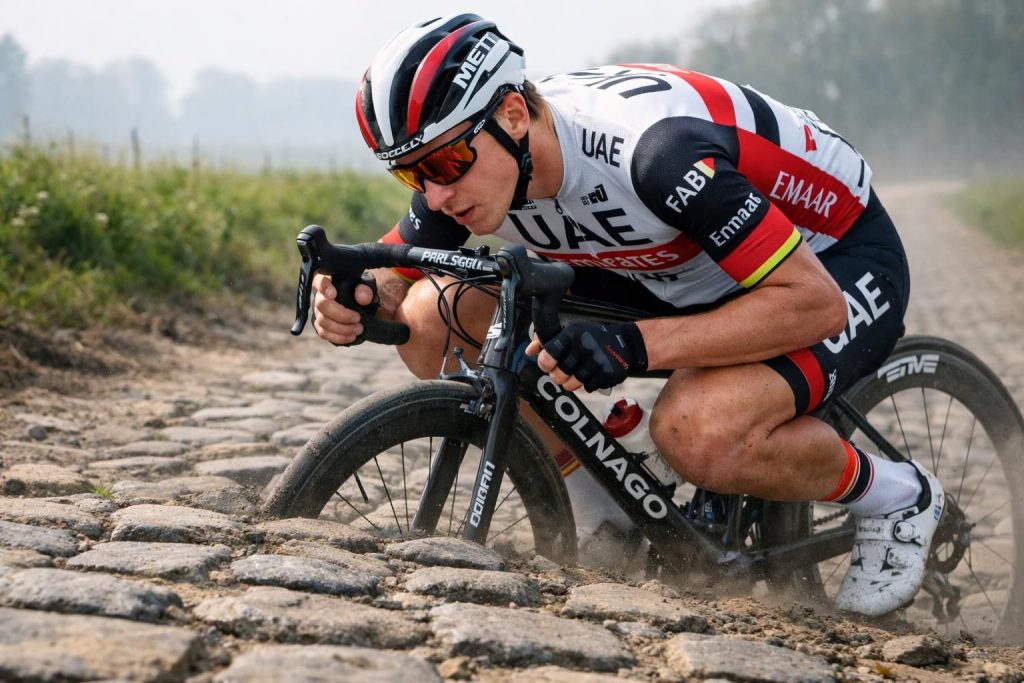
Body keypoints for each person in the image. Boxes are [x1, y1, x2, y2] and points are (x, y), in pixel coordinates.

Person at [312, 13, 944, 616]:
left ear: (512, 114)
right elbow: (391, 278)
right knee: (434, 319)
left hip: (830, 260)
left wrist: (632, 346)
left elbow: (813, 305)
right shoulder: (476, 163)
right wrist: (357, 300)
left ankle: (897, 496)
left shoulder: (653, 154)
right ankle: (599, 504)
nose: (437, 195)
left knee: (697, 430)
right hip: (675, 259)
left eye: (448, 164)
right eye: (411, 175)